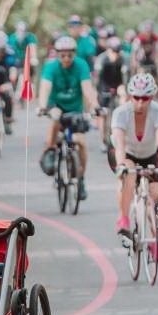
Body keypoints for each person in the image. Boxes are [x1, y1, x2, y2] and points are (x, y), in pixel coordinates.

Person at [111, 72, 158, 257]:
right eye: (136, 97)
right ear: (130, 96)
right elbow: (119, 143)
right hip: (126, 155)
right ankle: (124, 219)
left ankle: (153, 239)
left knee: (156, 194)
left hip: (151, 157)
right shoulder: (120, 113)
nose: (141, 103)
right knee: (129, 170)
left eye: (145, 98)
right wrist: (121, 165)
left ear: (152, 97)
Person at [38, 35, 99, 201]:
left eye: (69, 55)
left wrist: (94, 106)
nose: (66, 58)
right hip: (56, 108)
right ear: (57, 55)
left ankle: (80, 179)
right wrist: (43, 106)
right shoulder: (50, 67)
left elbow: (87, 88)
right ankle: (49, 154)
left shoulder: (81, 65)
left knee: (81, 143)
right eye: (62, 55)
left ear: (74, 54)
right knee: (54, 123)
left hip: (75, 110)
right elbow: (45, 87)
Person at [95, 36, 129, 165]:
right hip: (105, 84)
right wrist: (99, 94)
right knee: (103, 112)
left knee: (123, 101)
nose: (115, 54)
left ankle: (123, 134)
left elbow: (126, 77)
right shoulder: (101, 59)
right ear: (108, 50)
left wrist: (124, 91)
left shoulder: (124, 58)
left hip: (118, 82)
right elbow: (97, 80)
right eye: (113, 51)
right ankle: (103, 140)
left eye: (117, 51)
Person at [131, 20, 158, 86]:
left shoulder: (155, 37)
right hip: (141, 57)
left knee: (155, 74)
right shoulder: (139, 38)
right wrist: (134, 61)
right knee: (139, 72)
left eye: (150, 31)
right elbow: (134, 51)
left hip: (151, 57)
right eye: (147, 31)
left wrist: (157, 60)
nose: (148, 34)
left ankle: (156, 90)